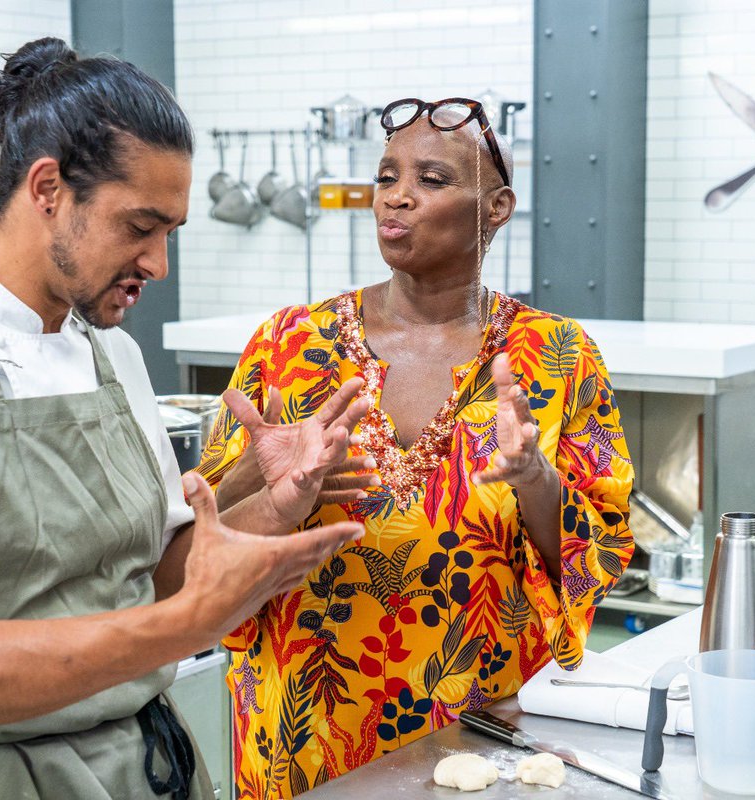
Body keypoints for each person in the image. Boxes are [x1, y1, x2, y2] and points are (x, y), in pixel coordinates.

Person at [0, 38, 370, 800]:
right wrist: (184, 628)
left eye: (170, 233)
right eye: (140, 227)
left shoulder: (110, 356)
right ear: (47, 189)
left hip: (146, 763)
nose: (159, 264)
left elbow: (150, 577)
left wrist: (272, 504)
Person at [197, 98, 636, 798]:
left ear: (496, 208)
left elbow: (597, 555)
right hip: (305, 733)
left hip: (479, 737)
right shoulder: (290, 346)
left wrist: (534, 479)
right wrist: (255, 477)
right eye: (387, 176)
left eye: (433, 179)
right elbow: (200, 541)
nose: (397, 196)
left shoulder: (556, 357)